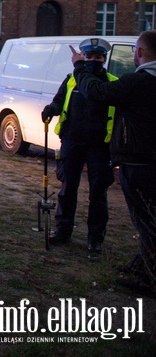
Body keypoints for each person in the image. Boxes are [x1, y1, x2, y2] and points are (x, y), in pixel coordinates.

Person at [71, 30, 156, 294]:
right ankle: (141, 265)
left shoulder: (138, 82)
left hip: (140, 164)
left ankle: (149, 278)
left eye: (134, 51)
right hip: (148, 161)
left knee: (146, 221)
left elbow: (96, 92)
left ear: (140, 52)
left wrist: (79, 67)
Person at [41, 38, 116, 252]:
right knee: (67, 189)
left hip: (100, 145)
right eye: (88, 57)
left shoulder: (111, 82)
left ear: (104, 59)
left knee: (98, 193)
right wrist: (50, 109)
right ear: (82, 57)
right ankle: (63, 231)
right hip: (72, 140)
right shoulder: (70, 80)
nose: (93, 61)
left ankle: (95, 238)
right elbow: (58, 101)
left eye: (98, 57)